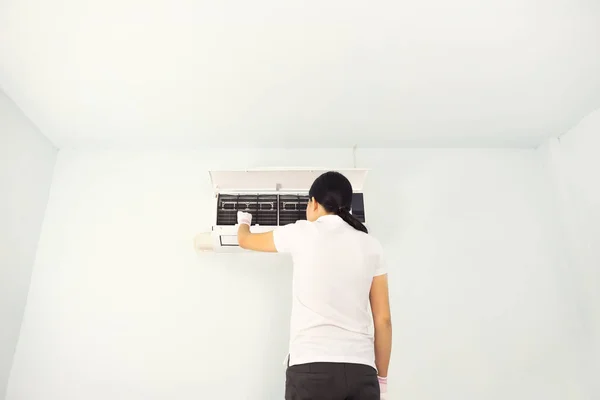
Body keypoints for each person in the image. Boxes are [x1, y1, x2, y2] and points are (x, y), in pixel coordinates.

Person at [237, 171, 392, 400]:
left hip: (311, 366)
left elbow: (245, 240)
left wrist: (244, 221)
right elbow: (383, 320)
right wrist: (382, 379)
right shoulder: (371, 246)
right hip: (360, 369)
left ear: (314, 203)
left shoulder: (301, 232)